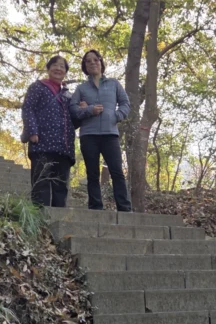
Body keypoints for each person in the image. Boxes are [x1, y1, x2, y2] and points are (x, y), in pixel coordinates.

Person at [70, 49, 132, 212]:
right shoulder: (81, 88)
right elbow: (73, 109)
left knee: (117, 171)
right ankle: (96, 208)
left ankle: (124, 208)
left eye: (95, 60)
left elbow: (125, 103)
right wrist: (89, 110)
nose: (92, 63)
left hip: (110, 134)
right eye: (88, 61)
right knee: (92, 173)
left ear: (101, 62)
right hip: (88, 136)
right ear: (85, 66)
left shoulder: (113, 84)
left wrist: (116, 116)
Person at [21, 55, 76, 207]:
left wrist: (85, 108)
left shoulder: (68, 95)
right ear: (48, 68)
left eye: (62, 67)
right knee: (41, 183)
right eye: (55, 65)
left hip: (63, 146)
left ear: (65, 72)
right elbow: (28, 108)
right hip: (41, 143)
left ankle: (60, 222)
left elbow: (74, 118)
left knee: (61, 186)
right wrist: (32, 131)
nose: (58, 69)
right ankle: (40, 222)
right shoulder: (37, 87)